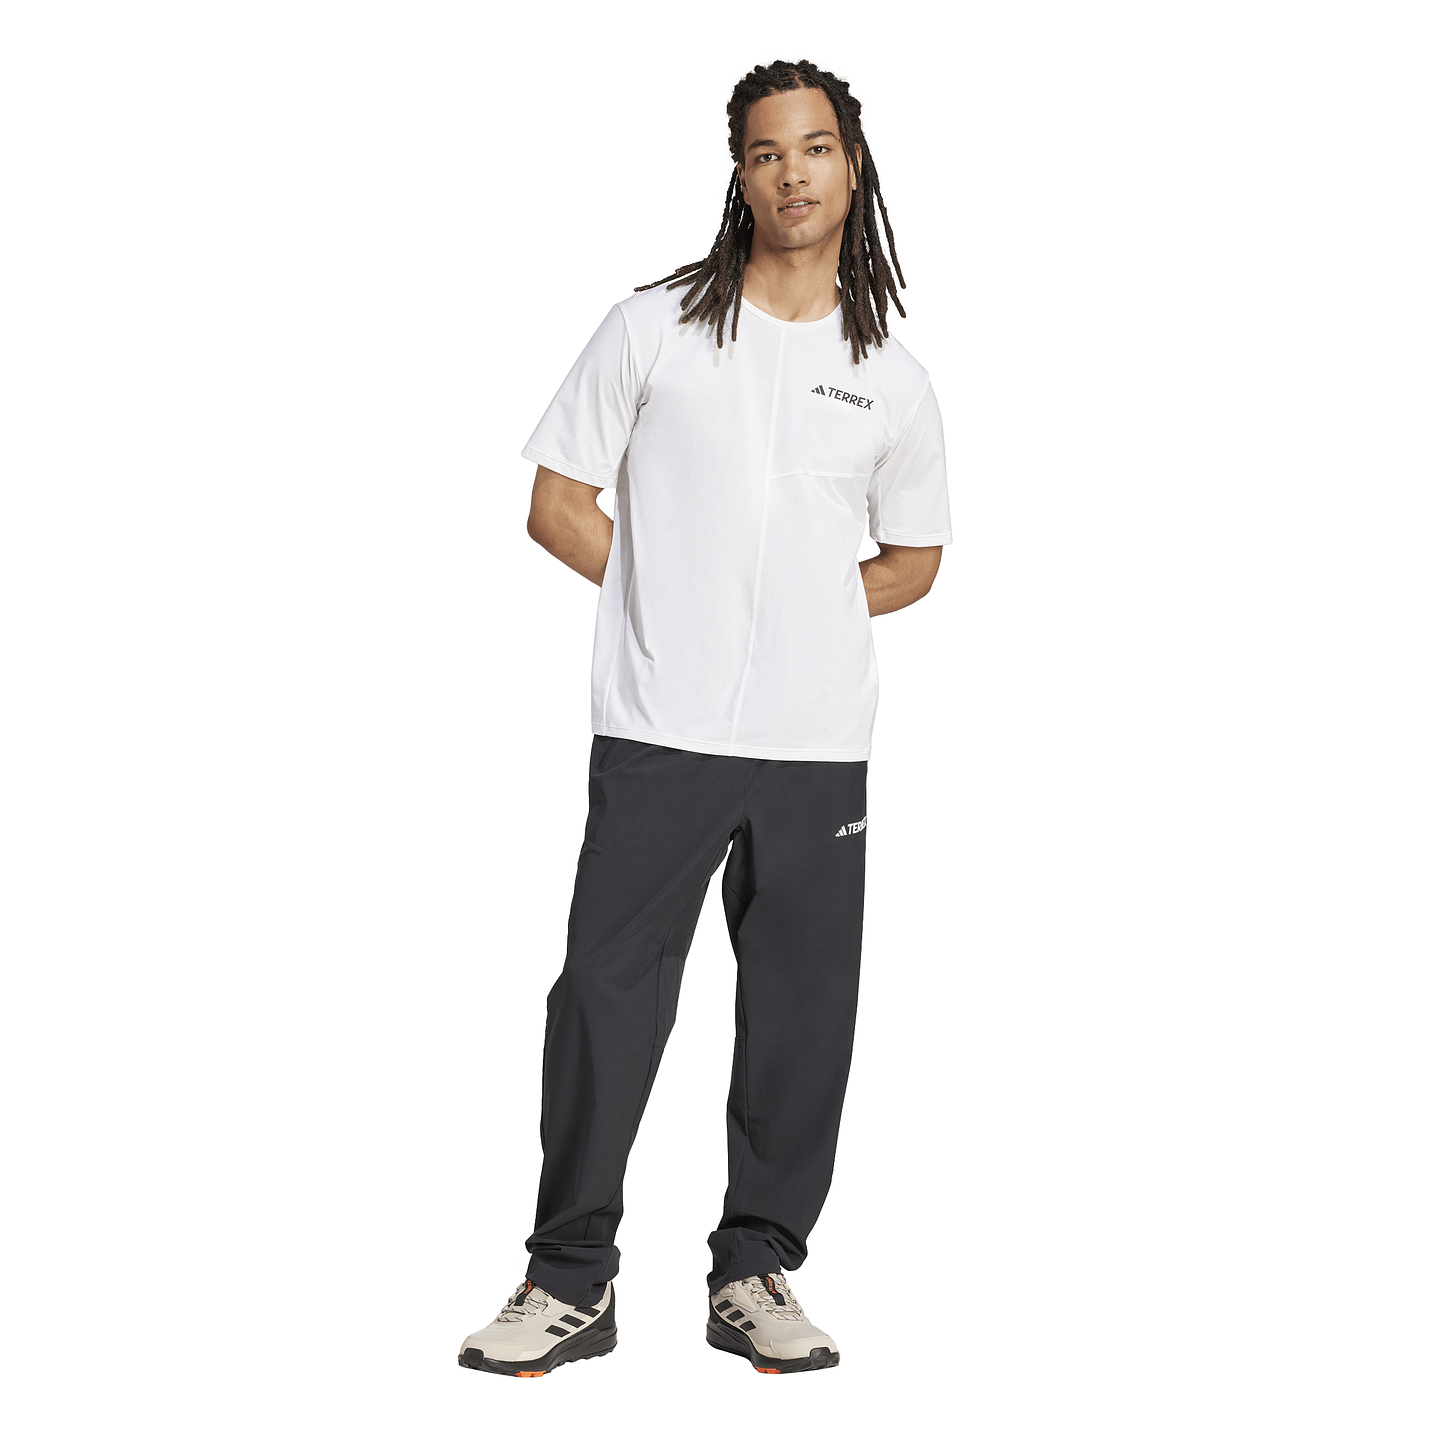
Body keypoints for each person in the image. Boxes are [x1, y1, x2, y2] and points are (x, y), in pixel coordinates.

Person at [459, 58, 951, 1378]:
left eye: (815, 148)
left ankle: (756, 1270)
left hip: (815, 746)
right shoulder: (653, 329)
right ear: (737, 172)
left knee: (801, 1013)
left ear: (852, 166)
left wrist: (802, 611)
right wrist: (669, 599)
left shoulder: (891, 377)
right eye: (765, 151)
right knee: (603, 999)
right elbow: (558, 504)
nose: (792, 173)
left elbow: (914, 559)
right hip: (659, 727)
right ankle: (568, 1277)